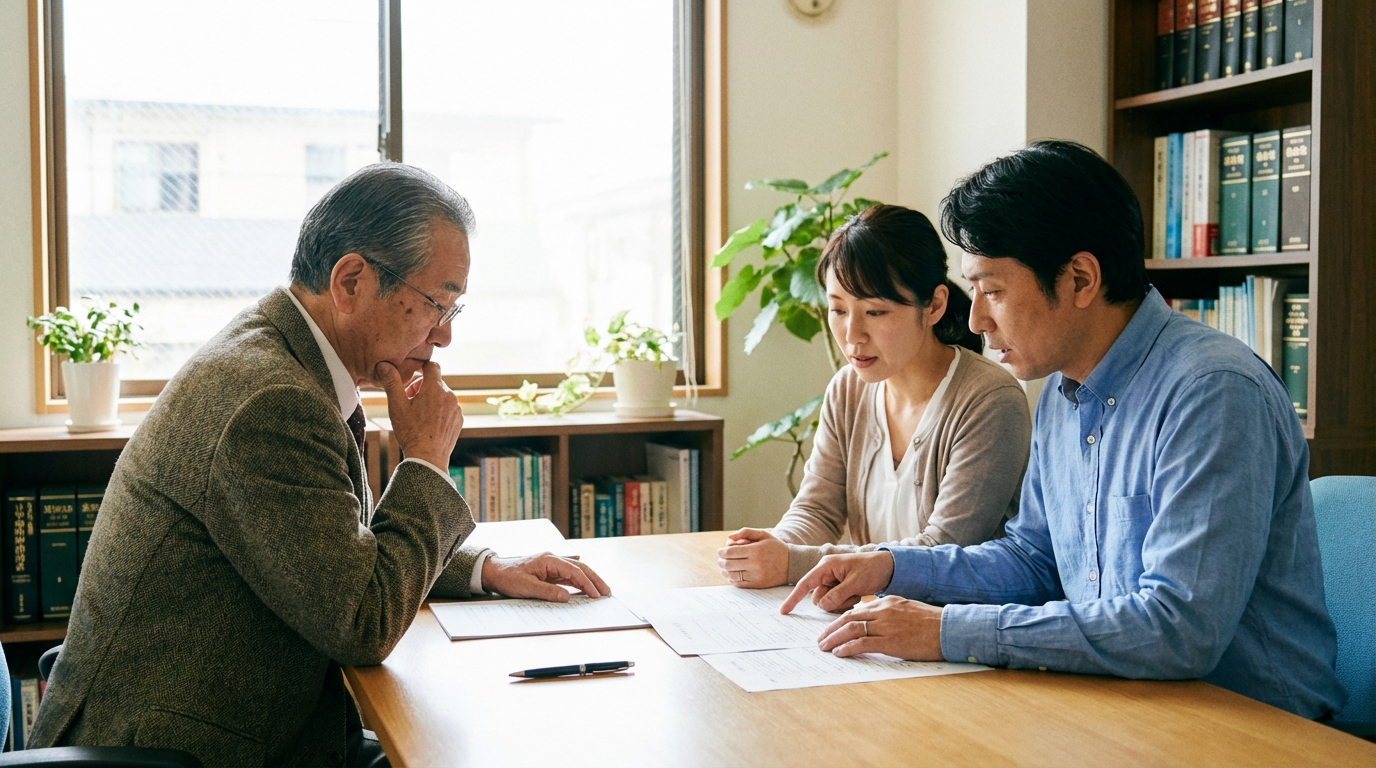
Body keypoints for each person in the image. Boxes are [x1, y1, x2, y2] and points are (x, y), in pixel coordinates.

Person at [29, 163, 611, 767]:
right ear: (352, 280)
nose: (443, 338)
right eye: (437, 304)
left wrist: (486, 569)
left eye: (452, 311)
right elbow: (362, 620)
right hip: (188, 752)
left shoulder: (284, 355)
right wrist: (428, 461)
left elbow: (331, 554)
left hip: (235, 726)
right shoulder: (271, 402)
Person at [781, 141, 1346, 720]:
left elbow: (1178, 629)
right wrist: (893, 565)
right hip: (1122, 704)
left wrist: (945, 629)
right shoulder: (1061, 391)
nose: (974, 320)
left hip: (1248, 725)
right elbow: (1033, 560)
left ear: (1080, 278)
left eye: (993, 290)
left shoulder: (1214, 393)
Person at [718, 205, 1031, 589]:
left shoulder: (990, 400)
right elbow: (817, 509)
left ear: (934, 305)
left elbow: (945, 549)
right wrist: (774, 546)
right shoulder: (848, 389)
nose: (852, 335)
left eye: (876, 312)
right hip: (875, 620)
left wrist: (792, 563)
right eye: (837, 309)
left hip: (953, 627)